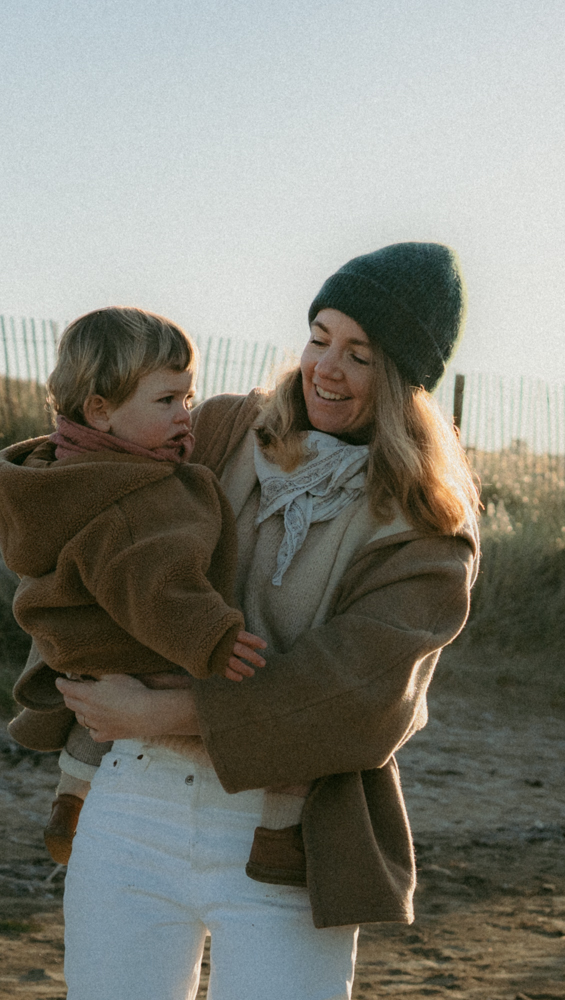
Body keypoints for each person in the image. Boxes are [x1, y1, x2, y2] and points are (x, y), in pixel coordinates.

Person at [55, 243, 481, 1000]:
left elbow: (359, 696)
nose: (326, 367)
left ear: (405, 377)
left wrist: (160, 707)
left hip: (286, 841)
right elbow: (93, 509)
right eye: (320, 337)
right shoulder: (221, 431)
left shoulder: (427, 527)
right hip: (133, 808)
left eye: (360, 354)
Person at [0, 306, 270, 865]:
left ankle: (70, 797)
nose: (186, 417)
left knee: (93, 703)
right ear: (101, 411)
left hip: (71, 638)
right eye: (166, 402)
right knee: (211, 694)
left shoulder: (62, 470)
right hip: (127, 633)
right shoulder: (130, 497)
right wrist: (211, 636)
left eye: (188, 400)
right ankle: (278, 826)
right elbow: (153, 583)